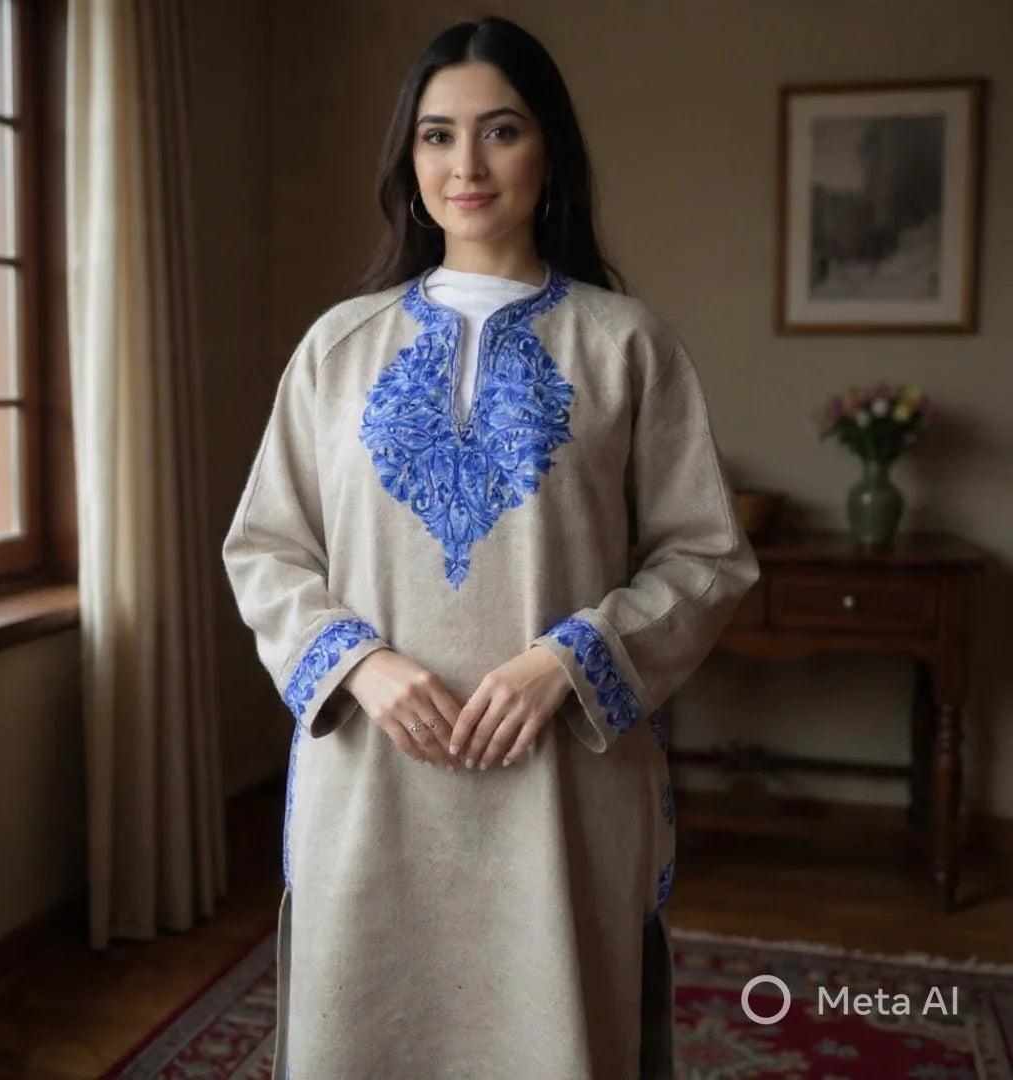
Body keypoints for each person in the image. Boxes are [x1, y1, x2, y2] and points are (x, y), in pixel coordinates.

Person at [222, 15, 759, 1080]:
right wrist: (360, 665)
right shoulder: (337, 346)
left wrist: (570, 656)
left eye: (499, 131)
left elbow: (706, 559)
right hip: (374, 779)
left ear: (548, 148)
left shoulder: (627, 344)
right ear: (407, 158)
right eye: (436, 135)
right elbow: (266, 549)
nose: (464, 165)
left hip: (559, 789)